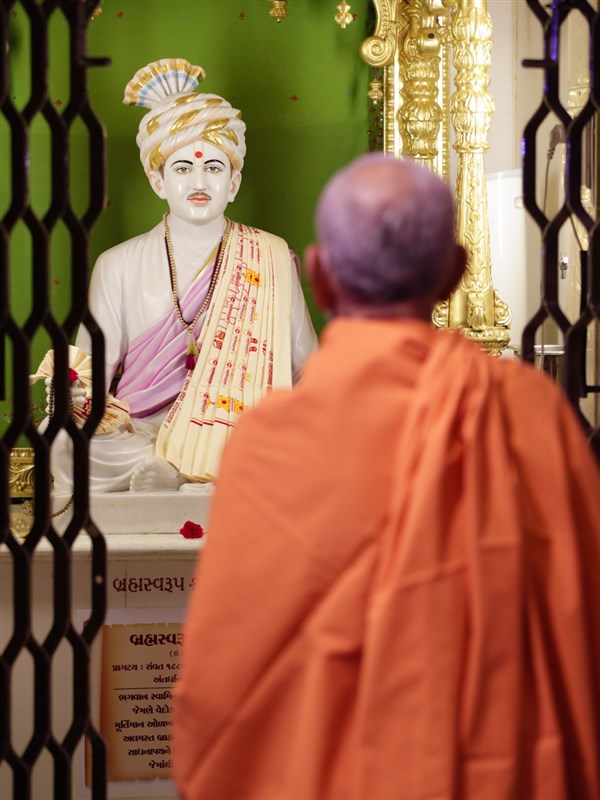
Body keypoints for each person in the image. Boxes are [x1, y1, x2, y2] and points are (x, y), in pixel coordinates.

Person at [173, 153, 600, 799]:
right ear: (455, 271)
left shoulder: (270, 441)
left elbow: (222, 675)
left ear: (318, 277)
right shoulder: (530, 414)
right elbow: (581, 623)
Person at [40, 58, 317, 492]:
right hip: (142, 433)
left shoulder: (270, 256)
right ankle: (185, 472)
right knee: (60, 439)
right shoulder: (117, 264)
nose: (198, 182)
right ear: (158, 181)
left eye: (214, 167)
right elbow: (90, 373)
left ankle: (183, 472)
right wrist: (73, 395)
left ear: (234, 183)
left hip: (239, 426)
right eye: (183, 168)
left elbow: (308, 368)